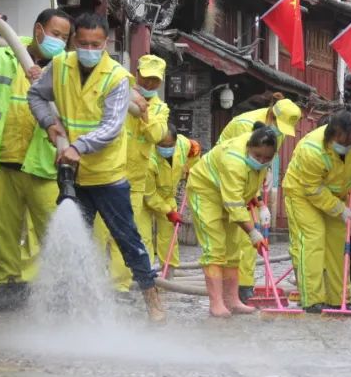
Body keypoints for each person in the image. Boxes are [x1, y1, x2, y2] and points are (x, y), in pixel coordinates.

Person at [26, 13, 166, 323]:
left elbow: (111, 127)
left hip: (107, 174)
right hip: (74, 173)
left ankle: (151, 295)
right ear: (74, 41)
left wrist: (77, 147)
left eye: (96, 44)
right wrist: (49, 123)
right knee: (74, 243)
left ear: (106, 43)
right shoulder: (59, 66)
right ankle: (71, 305)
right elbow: (35, 95)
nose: (89, 49)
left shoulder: (116, 77)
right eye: (83, 43)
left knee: (127, 238)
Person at [0, 8, 72, 310]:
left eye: (65, 37)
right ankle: (7, 285)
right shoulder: (3, 54)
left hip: (43, 162)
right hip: (1, 158)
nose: (60, 41)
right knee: (3, 230)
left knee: (55, 228)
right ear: (39, 30)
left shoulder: (66, 68)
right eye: (55, 34)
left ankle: (63, 287)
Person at [283, 110, 351, 313]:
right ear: (330, 135)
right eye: (341, 142)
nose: (346, 146)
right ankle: (312, 299)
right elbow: (313, 189)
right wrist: (340, 210)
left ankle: (338, 298)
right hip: (303, 192)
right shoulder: (311, 150)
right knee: (313, 239)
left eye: (350, 143)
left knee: (338, 243)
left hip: (337, 191)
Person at [216, 92, 303, 301]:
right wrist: (257, 198)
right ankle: (233, 288)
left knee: (249, 236)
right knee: (239, 234)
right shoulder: (245, 125)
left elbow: (263, 160)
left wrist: (262, 184)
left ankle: (245, 286)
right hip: (226, 176)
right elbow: (239, 163)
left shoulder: (279, 131)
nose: (281, 132)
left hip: (250, 179)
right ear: (272, 115)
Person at [187, 124, 278, 318]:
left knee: (233, 248)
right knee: (214, 248)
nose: (261, 161)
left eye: (267, 158)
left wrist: (260, 204)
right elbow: (235, 204)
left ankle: (232, 300)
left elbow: (246, 187)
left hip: (230, 196)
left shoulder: (260, 159)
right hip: (206, 192)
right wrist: (253, 233)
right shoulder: (233, 160)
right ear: (249, 147)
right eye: (258, 156)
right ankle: (216, 304)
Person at [106, 54, 171, 290]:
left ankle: (119, 287)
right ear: (137, 74)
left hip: (134, 180)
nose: (150, 83)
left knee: (123, 234)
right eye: (146, 78)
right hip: (106, 173)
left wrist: (144, 113)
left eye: (155, 80)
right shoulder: (120, 91)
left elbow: (156, 135)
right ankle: (90, 285)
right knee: (97, 233)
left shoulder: (161, 108)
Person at [144, 124, 199, 270]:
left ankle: (169, 272)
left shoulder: (182, 144)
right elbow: (149, 195)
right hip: (145, 199)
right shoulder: (148, 159)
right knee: (143, 237)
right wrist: (168, 211)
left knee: (169, 236)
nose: (167, 149)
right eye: (162, 145)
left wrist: (191, 167)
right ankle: (145, 273)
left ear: (176, 142)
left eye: (170, 145)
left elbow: (193, 151)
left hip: (168, 196)